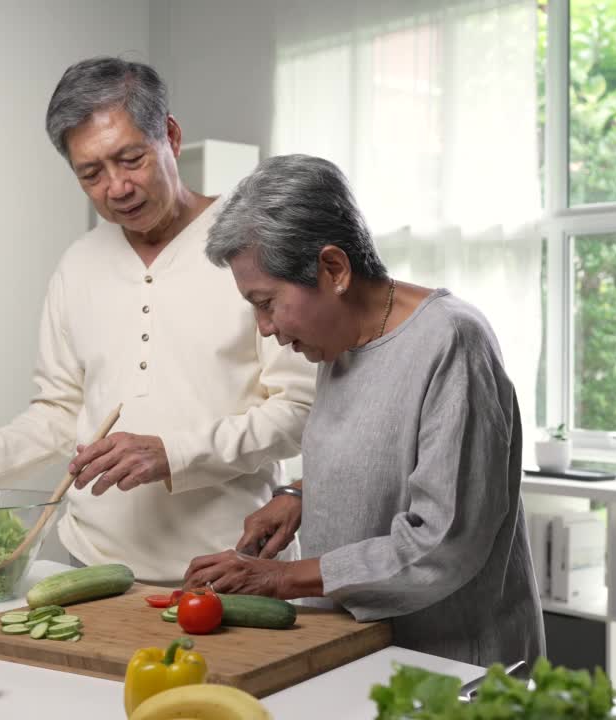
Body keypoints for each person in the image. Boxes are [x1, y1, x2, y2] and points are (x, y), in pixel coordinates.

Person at [0, 58, 315, 585]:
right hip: (90, 567)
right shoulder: (78, 263)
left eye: (130, 158)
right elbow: (60, 412)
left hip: (229, 565)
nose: (117, 188)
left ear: (171, 136)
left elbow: (298, 411)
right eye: (91, 173)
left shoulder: (253, 249)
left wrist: (172, 454)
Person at [184, 154, 544, 668]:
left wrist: (283, 577)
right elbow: (386, 455)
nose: (264, 327)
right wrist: (298, 494)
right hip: (356, 651)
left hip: (446, 665)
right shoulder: (338, 344)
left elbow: (441, 541)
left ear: (333, 269)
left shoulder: (452, 342)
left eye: (267, 302)